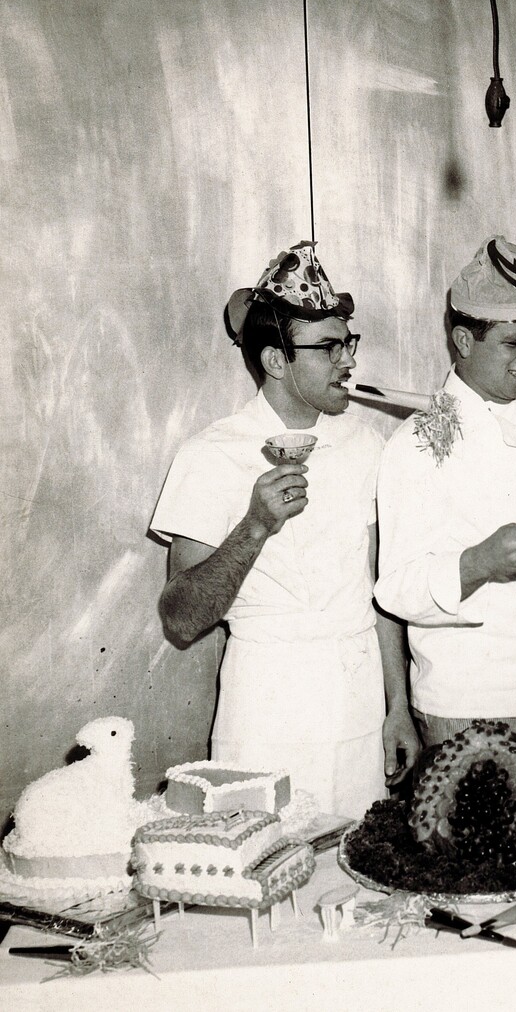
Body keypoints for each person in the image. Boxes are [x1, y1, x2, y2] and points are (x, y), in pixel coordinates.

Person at [152, 241, 419, 819]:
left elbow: (379, 593)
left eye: (348, 342)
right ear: (276, 361)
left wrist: (398, 707)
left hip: (358, 707)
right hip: (267, 712)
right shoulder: (209, 455)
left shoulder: (366, 444)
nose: (348, 361)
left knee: (355, 879)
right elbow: (180, 619)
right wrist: (254, 527)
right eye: (328, 348)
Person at [374, 237, 516, 788]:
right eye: (513, 342)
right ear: (462, 341)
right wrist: (478, 562)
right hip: (471, 700)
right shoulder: (417, 440)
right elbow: (396, 590)